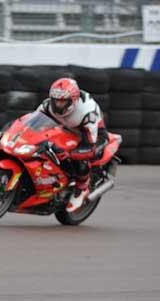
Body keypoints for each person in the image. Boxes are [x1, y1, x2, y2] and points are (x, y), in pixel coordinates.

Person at [38, 78, 108, 212]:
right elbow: (33, 121)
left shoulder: (87, 115)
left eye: (62, 101)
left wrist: (70, 153)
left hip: (91, 136)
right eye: (55, 100)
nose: (58, 104)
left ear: (72, 101)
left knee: (78, 156)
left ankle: (82, 188)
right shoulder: (47, 106)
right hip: (66, 128)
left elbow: (91, 148)